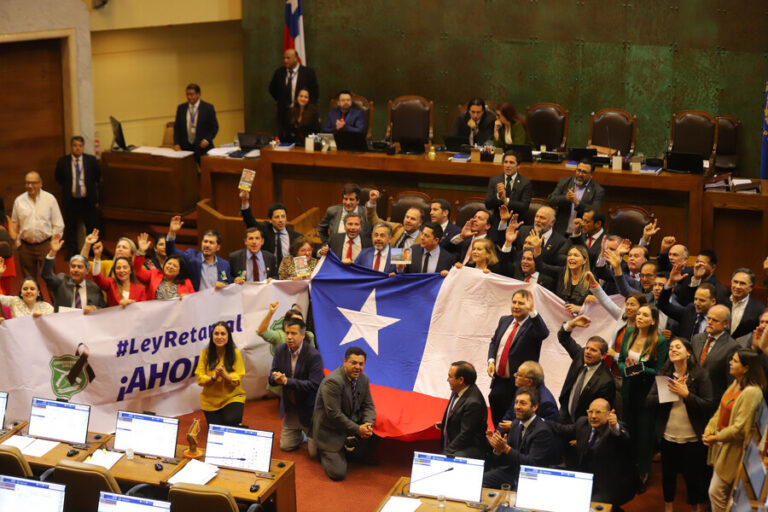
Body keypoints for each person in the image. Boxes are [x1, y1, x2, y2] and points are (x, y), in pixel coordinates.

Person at [648, 338, 714, 512]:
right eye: (671, 348)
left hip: (692, 438)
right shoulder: (665, 374)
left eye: (678, 347)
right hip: (668, 436)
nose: (673, 350)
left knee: (693, 478)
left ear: (689, 352)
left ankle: (696, 508)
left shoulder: (700, 375)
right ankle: (668, 508)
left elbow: (708, 405)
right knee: (667, 476)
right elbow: (649, 401)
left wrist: (686, 394)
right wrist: (669, 394)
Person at [703, 349, 766, 512]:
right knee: (717, 493)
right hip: (722, 445)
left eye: (735, 361)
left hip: (734, 450)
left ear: (746, 368)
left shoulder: (752, 392)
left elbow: (740, 429)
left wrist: (716, 438)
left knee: (717, 493)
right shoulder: (737, 382)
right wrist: (710, 428)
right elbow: (721, 408)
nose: (730, 363)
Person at [548, 399, 636, 509]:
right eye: (590, 411)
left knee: (583, 506)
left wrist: (615, 427)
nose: (593, 416)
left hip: (608, 485)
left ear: (608, 414)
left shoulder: (614, 428)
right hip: (586, 480)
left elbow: (624, 438)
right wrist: (539, 420)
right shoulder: (583, 423)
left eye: (598, 412)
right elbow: (564, 429)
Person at [618, 304, 669, 485]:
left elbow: (659, 370)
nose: (639, 317)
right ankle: (628, 466)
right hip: (628, 389)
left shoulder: (660, 341)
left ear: (653, 320)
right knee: (628, 429)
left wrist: (638, 368)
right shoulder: (629, 333)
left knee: (645, 434)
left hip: (647, 392)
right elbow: (621, 361)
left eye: (644, 315)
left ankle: (643, 470)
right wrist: (626, 370)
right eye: (638, 314)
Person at [309, 346, 376, 481]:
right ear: (345, 362)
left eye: (361, 364)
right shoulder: (333, 382)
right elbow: (334, 415)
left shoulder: (364, 379)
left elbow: (368, 405)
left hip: (348, 426)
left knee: (374, 436)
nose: (357, 367)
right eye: (353, 363)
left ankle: (347, 449)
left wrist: (367, 424)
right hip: (329, 431)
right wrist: (358, 429)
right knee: (338, 474)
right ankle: (320, 450)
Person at [487, 289, 550, 425]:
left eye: (521, 303)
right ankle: (498, 440)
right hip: (499, 381)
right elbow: (494, 342)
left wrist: (533, 311)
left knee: (515, 420)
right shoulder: (505, 320)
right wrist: (491, 361)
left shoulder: (533, 325)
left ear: (529, 306)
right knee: (497, 413)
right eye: (514, 302)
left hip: (520, 384)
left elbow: (543, 333)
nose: (516, 306)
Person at [482, 387, 555, 489]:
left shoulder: (542, 431)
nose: (517, 407)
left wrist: (506, 448)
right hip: (512, 472)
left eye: (523, 403)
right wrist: (498, 450)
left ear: (534, 407)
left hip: (531, 477)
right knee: (481, 480)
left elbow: (532, 464)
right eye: (516, 403)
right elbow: (506, 460)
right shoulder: (516, 424)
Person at [269, 317, 324, 451]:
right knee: (286, 447)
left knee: (314, 454)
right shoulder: (280, 350)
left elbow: (315, 385)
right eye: (287, 333)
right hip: (291, 407)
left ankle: (310, 434)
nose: (289, 337)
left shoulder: (313, 355)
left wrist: (287, 381)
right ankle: (300, 434)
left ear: (303, 335)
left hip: (309, 408)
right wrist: (276, 379)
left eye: (293, 333)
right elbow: (270, 378)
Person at [557, 316, 616, 424]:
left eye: (593, 350)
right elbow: (563, 337)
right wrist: (572, 324)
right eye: (587, 348)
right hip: (564, 416)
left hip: (583, 425)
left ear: (603, 356)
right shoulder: (580, 354)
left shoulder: (606, 381)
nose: (587, 352)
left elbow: (601, 414)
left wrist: (583, 433)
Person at [12, 171, 64, 280]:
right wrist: (18, 243)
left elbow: (58, 224)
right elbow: (14, 224)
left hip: (45, 245)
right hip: (25, 247)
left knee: (51, 279)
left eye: (33, 183)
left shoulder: (50, 199)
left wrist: (53, 243)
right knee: (29, 282)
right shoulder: (19, 201)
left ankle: (54, 298)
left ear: (41, 183)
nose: (30, 186)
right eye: (27, 183)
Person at [54, 136, 101, 259]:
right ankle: (71, 251)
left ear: (83, 147)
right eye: (75, 145)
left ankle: (92, 250)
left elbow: (97, 176)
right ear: (71, 147)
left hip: (87, 200)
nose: (77, 148)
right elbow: (58, 178)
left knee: (91, 226)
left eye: (80, 145)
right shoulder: (63, 161)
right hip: (71, 200)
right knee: (70, 227)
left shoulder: (91, 160)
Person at [195, 321, 246, 427]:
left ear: (228, 336)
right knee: (217, 429)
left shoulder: (235, 353)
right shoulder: (205, 353)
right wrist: (214, 377)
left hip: (232, 397)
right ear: (212, 336)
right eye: (216, 334)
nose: (219, 337)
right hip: (210, 401)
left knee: (230, 420)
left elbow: (238, 378)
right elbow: (200, 377)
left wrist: (224, 375)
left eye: (223, 334)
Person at [436, 361, 488, 459]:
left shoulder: (474, 403)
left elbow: (466, 435)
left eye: (450, 376)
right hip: (456, 446)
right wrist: (446, 423)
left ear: (460, 380)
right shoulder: (458, 389)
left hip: (466, 451)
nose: (447, 380)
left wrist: (445, 454)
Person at [42, 234, 105, 313]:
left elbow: (103, 309)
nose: (75, 270)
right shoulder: (62, 281)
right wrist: (53, 252)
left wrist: (94, 308)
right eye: (73, 266)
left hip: (85, 323)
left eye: (79, 267)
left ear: (86, 271)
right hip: (63, 322)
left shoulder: (94, 288)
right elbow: (46, 275)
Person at [166, 216, 229, 291]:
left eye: (211, 243)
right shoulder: (191, 256)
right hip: (195, 300)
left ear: (218, 247)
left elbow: (228, 283)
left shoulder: (224, 264)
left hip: (217, 301)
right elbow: (171, 252)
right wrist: (172, 232)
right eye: (205, 241)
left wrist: (224, 285)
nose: (207, 245)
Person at [692, 304, 740, 401]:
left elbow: (731, 382)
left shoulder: (732, 347)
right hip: (692, 396)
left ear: (725, 324)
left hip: (714, 400)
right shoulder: (696, 339)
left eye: (715, 320)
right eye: (709, 318)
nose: (709, 322)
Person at [547, 159, 605, 235]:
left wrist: (577, 203)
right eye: (578, 170)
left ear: (591, 174)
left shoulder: (598, 190)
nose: (580, 174)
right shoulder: (564, 182)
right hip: (561, 231)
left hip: (582, 233)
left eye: (584, 172)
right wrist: (565, 198)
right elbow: (550, 200)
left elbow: (595, 213)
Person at [269, 49, 319, 136]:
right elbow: (272, 89)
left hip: (302, 113)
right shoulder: (279, 72)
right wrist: (281, 101)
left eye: (288, 58)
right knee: (283, 139)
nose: (285, 60)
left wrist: (306, 106)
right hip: (283, 113)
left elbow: (314, 92)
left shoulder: (308, 72)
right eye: (284, 58)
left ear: (296, 58)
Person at [239, 192, 302, 261]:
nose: (280, 220)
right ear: (270, 220)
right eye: (277, 217)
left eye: (283, 216)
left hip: (287, 270)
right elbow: (250, 221)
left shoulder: (295, 236)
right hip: (268, 269)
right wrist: (245, 201)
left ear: (286, 218)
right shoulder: (264, 230)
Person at [134, 233, 194, 299]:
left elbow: (194, 299)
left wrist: (188, 297)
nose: (170, 267)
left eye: (174, 266)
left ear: (180, 270)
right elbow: (138, 271)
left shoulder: (186, 282)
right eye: (169, 263)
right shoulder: (154, 274)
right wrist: (141, 252)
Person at [513, 206, 568, 277]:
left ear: (552, 222)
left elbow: (557, 270)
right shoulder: (523, 231)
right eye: (536, 217)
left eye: (542, 218)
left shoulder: (561, 242)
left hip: (543, 282)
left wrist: (537, 254)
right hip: (519, 276)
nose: (538, 220)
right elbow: (512, 256)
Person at [484, 150, 532, 228]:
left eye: (511, 162)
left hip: (515, 223)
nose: (507, 165)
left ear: (518, 165)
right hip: (497, 222)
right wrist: (498, 196)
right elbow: (488, 205)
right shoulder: (495, 180)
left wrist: (506, 201)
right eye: (505, 162)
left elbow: (524, 207)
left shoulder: (525, 183)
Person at [90, 243, 147, 308]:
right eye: (118, 268)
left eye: (125, 267)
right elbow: (97, 276)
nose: (122, 270)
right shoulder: (110, 283)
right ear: (115, 271)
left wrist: (133, 304)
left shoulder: (140, 289)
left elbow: (143, 309)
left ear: (130, 270)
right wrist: (97, 256)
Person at [172, 83, 218, 160]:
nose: (189, 97)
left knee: (203, 171)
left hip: (202, 147)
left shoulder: (208, 108)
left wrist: (207, 140)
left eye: (192, 94)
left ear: (198, 94)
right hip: (185, 148)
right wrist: (176, 143)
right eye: (187, 94)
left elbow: (214, 127)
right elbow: (177, 128)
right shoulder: (181, 108)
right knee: (188, 171)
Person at [724, 268, 765, 339]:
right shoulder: (721, 300)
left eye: (742, 283)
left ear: (751, 287)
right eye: (735, 282)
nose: (737, 286)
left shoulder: (759, 309)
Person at [556, 245, 591, 312]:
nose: (571, 258)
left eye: (576, 255)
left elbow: (597, 308)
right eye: (569, 255)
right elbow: (543, 267)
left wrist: (580, 308)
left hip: (581, 319)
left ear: (584, 260)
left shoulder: (590, 278)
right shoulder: (562, 275)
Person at [0, 197, 18, 295]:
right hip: (6, 260)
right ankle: (4, 310)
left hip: (4, 260)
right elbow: (13, 236)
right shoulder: (6, 218)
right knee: (6, 292)